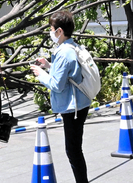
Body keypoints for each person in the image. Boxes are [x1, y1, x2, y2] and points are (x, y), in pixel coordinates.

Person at [31, 10, 91, 183]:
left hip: (73, 108)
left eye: (51, 28)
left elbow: (57, 85)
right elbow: (66, 75)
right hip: (79, 104)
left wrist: (40, 73)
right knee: (74, 149)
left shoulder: (64, 53)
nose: (50, 32)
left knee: (73, 151)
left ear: (59, 31)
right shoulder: (71, 46)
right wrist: (49, 65)